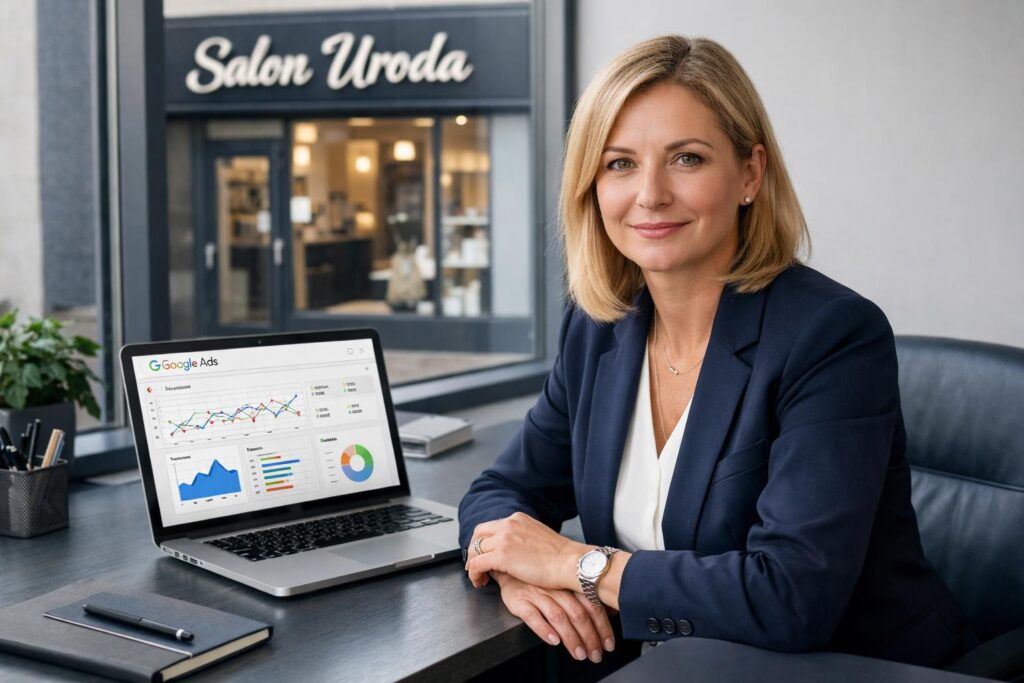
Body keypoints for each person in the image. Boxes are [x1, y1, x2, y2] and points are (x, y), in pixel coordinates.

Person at [458, 34, 973, 669]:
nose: (649, 194)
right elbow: (502, 491)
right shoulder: (598, 327)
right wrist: (515, 572)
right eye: (619, 163)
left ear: (750, 174)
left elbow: (790, 595)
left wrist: (574, 564)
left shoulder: (832, 336)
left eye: (686, 159)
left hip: (848, 666)